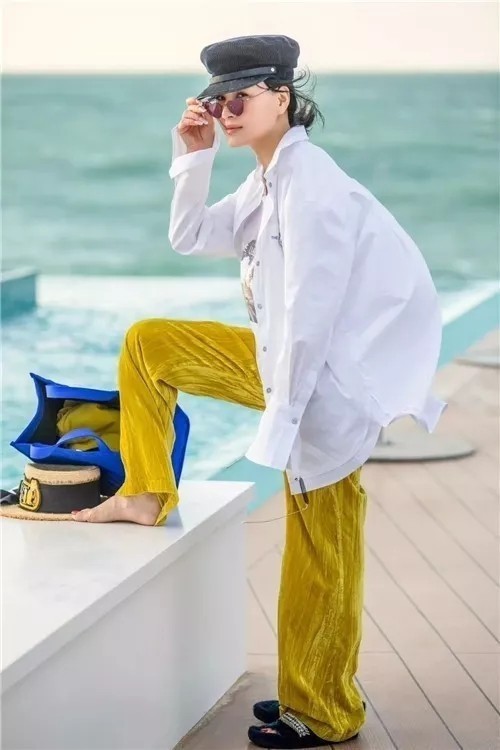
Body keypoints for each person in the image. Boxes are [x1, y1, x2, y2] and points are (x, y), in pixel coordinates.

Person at [73, 35, 445, 748]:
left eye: (239, 98)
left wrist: (281, 427)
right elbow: (191, 236)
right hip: (282, 363)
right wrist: (194, 156)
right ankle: (146, 492)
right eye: (217, 101)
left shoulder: (312, 188)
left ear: (282, 96)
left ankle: (326, 710)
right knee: (152, 343)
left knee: (322, 552)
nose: (226, 112)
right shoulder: (270, 177)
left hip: (326, 387)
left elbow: (310, 321)